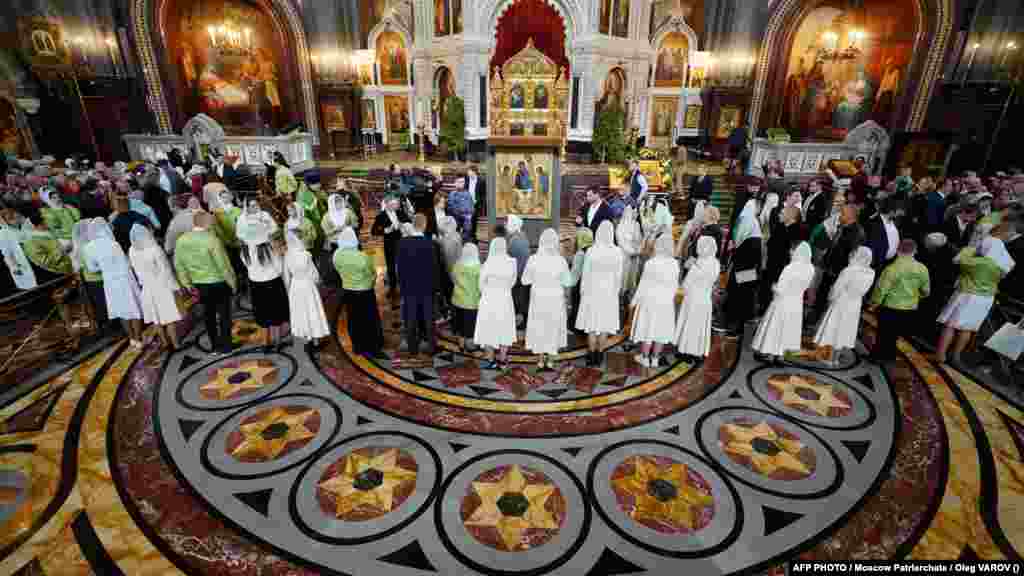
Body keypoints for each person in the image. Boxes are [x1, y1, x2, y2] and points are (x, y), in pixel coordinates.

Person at [934, 236, 1015, 364]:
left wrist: (970, 250)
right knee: (967, 328)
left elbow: (958, 260)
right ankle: (956, 356)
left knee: (950, 325)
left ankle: (941, 354)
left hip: (967, 295)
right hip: (985, 299)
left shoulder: (978, 262)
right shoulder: (1001, 265)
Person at [85, 218, 145, 348]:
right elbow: (125, 263)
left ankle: (132, 339)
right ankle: (139, 338)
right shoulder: (113, 244)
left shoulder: (88, 247)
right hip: (124, 279)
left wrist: (104, 267)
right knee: (134, 309)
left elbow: (92, 268)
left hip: (109, 281)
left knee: (121, 311)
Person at [752, 241, 816, 362]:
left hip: (782, 303)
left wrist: (773, 286)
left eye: (792, 250)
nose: (790, 252)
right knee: (788, 329)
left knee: (775, 328)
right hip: (797, 304)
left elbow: (780, 289)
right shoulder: (811, 268)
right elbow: (806, 287)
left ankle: (768, 353)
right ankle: (780, 356)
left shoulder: (790, 268)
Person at [869, 239, 930, 362]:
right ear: (915, 251)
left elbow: (881, 289)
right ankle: (890, 356)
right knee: (895, 334)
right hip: (910, 308)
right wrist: (916, 297)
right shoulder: (922, 268)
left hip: (891, 306)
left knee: (883, 334)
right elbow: (926, 290)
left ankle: (878, 356)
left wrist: (874, 303)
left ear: (898, 250)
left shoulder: (892, 268)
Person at [814, 246, 875, 366]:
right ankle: (836, 358)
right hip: (855, 304)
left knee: (834, 329)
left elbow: (837, 287)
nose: (850, 256)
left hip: (842, 301)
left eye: (853, 254)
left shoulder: (849, 270)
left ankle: (830, 358)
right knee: (845, 331)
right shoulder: (871, 273)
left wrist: (830, 298)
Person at [576, 220, 624, 367]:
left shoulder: (591, 251)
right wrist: (616, 291)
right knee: (604, 326)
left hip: (592, 291)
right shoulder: (617, 252)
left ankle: (591, 355)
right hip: (609, 292)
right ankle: (600, 355)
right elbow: (619, 276)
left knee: (591, 325)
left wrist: (582, 291)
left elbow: (585, 274)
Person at [522, 228, 571, 369]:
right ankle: (550, 360)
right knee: (552, 327)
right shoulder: (561, 260)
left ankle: (540, 359)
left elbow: (525, 280)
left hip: (538, 299)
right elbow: (567, 282)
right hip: (555, 299)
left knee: (540, 327)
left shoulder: (533, 259)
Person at [128, 224, 183, 350]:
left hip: (146, 288)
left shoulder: (132, 250)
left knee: (156, 318)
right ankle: (176, 344)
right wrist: (176, 287)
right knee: (169, 317)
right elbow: (166, 270)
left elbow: (135, 270)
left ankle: (164, 342)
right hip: (161, 286)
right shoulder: (154, 248)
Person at [630, 234, 680, 367]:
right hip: (666, 302)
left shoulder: (651, 263)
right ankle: (656, 359)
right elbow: (675, 285)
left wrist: (634, 301)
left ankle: (645, 358)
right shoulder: (674, 264)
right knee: (661, 331)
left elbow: (643, 285)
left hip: (649, 301)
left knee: (648, 329)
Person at [333, 228, 383, 357]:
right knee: (370, 319)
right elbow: (372, 273)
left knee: (353, 319)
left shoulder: (337, 255)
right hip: (364, 292)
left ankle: (358, 346)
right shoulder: (362, 256)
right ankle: (374, 347)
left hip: (348, 292)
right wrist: (371, 283)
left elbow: (337, 269)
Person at [396, 214, 437, 357]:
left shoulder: (402, 243)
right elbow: (434, 268)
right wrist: (436, 288)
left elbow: (399, 268)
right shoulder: (430, 244)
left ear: (413, 224)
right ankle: (430, 346)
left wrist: (401, 286)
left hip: (408, 288)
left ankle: (412, 347)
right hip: (426, 288)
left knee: (410, 318)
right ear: (424, 225)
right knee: (428, 318)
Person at [674, 235, 720, 361]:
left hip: (693, 298)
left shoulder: (698, 264)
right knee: (700, 325)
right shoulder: (716, 263)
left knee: (689, 324)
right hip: (705, 299)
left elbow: (686, 284)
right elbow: (715, 281)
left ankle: (685, 351)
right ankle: (698, 351)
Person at [475, 237, 518, 370]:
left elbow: (480, 284)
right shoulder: (512, 262)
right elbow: (513, 281)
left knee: (489, 327)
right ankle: (503, 359)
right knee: (504, 327)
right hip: (505, 298)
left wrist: (487, 292)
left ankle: (490, 359)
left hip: (489, 298)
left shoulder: (488, 262)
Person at [283, 231, 329, 351]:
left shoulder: (287, 255)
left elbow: (286, 277)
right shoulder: (305, 254)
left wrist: (289, 290)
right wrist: (317, 282)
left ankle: (307, 339)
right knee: (312, 311)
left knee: (302, 313)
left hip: (295, 286)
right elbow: (314, 275)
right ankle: (316, 341)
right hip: (307, 285)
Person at [725, 198, 764, 334]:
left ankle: (734, 326)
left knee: (738, 295)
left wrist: (734, 249)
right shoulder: (755, 226)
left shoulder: (748, 223)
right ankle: (739, 325)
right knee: (744, 295)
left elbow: (739, 245)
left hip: (743, 269)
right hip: (749, 269)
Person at [371, 195, 410, 296]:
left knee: (404, 265)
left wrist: (404, 226)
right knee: (391, 266)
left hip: (402, 243)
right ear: (387, 204)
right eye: (394, 204)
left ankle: (405, 285)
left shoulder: (400, 212)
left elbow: (409, 222)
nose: (397, 205)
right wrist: (385, 230)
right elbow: (373, 231)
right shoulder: (381, 216)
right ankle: (392, 287)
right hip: (389, 244)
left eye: (397, 203)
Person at [21, 211, 72, 284]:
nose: (47, 223)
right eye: (44, 222)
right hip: (63, 271)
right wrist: (62, 251)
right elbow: (46, 261)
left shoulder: (48, 232)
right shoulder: (31, 243)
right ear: (36, 226)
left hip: (71, 261)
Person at [451, 243, 481, 351]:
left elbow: (453, 279)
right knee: (470, 326)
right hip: (472, 302)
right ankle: (470, 346)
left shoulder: (457, 265)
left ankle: (461, 345)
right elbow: (481, 286)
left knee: (459, 325)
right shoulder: (478, 268)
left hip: (457, 300)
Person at [0, 208, 37, 292]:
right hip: (23, 263)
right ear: (5, 221)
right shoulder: (3, 233)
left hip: (37, 258)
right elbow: (7, 254)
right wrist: (13, 266)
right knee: (32, 288)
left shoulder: (26, 226)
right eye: (10, 219)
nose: (14, 220)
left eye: (14, 217)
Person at [505, 215, 531, 329]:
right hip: (521, 275)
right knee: (521, 300)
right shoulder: (521, 237)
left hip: (517, 276)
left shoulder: (516, 240)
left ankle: (518, 324)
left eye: (507, 223)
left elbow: (513, 260)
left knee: (518, 301)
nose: (505, 225)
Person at [865, 197, 902, 271]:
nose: (899, 213)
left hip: (890, 263)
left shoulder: (894, 222)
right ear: (891, 211)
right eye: (897, 210)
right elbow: (872, 246)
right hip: (878, 264)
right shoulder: (874, 223)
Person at [617, 204, 643, 299]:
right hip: (625, 255)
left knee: (632, 278)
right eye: (633, 212)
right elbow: (621, 241)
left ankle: (630, 296)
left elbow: (640, 239)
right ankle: (621, 296)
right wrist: (630, 251)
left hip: (635, 256)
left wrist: (638, 249)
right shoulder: (620, 225)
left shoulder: (636, 225)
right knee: (624, 277)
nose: (635, 214)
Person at [448, 179, 475, 243]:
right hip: (458, 222)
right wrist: (463, 215)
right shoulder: (452, 194)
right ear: (455, 183)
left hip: (468, 222)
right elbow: (452, 208)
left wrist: (471, 213)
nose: (462, 183)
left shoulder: (468, 193)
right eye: (459, 182)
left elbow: (472, 205)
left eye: (463, 182)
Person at [464, 166, 485, 241]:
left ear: (474, 172)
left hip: (476, 203)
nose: (468, 173)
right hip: (467, 202)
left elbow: (483, 193)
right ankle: (467, 235)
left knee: (474, 219)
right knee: (467, 218)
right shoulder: (466, 179)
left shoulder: (481, 180)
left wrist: (479, 201)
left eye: (469, 171)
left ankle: (473, 236)